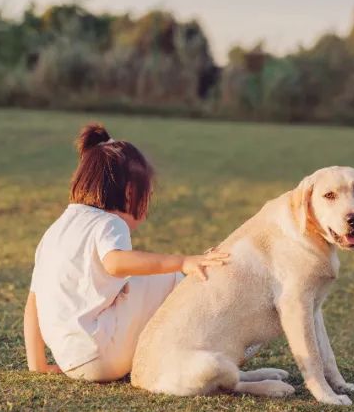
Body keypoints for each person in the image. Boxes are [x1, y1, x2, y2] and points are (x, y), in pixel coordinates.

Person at [23, 123, 229, 382]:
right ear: (131, 192)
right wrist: (182, 262)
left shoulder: (56, 230)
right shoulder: (110, 223)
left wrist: (38, 365)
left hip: (71, 360)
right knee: (168, 278)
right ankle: (202, 348)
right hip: (102, 356)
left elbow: (34, 303)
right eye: (148, 194)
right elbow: (116, 263)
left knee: (139, 282)